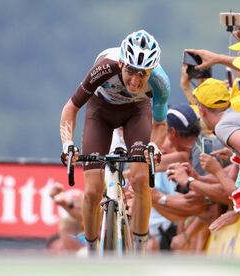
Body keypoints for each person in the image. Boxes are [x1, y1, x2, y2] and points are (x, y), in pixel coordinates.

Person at [59, 30, 170, 253]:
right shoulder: (104, 68)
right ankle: (91, 251)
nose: (136, 81)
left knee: (140, 179)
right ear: (121, 63)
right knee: (92, 191)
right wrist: (67, 143)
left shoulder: (159, 82)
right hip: (100, 112)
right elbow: (71, 107)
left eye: (143, 74)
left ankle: (139, 250)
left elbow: (160, 124)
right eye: (131, 71)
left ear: (151, 71)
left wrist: (154, 146)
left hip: (136, 114)